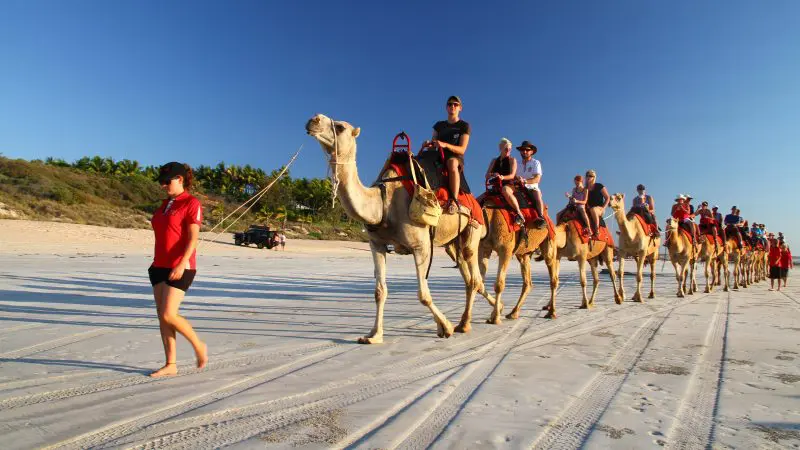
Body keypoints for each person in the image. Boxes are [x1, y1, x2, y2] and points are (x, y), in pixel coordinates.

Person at [148, 162, 208, 377]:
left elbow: (193, 239)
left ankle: (198, 345)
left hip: (181, 265)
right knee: (162, 317)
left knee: (168, 314)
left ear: (180, 179)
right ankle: (171, 364)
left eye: (167, 181)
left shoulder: (191, 203)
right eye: (161, 182)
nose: (163, 186)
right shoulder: (164, 204)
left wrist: (182, 263)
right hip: (159, 266)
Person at [432, 95, 471, 214]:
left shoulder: (464, 126)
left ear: (460, 108)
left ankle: (454, 200)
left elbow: (462, 150)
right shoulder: (439, 125)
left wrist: (445, 145)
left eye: (455, 104)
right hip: (437, 155)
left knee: (452, 163)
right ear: (446, 107)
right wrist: (430, 143)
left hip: (454, 157)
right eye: (450, 104)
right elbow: (434, 141)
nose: (452, 106)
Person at [485, 138, 525, 226]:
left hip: (509, 184)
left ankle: (519, 213)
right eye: (506, 148)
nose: (508, 150)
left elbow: (512, 175)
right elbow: (487, 175)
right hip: (496, 186)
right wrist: (493, 174)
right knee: (479, 199)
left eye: (510, 149)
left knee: (505, 190)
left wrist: (502, 177)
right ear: (501, 148)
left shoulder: (512, 160)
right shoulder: (494, 161)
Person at [515, 140, 547, 228]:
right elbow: (513, 175)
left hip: (532, 187)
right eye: (522, 150)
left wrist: (525, 181)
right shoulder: (516, 163)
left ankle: (541, 217)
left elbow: (537, 179)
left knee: (537, 196)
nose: (524, 152)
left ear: (532, 151)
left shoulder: (535, 163)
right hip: (518, 187)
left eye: (527, 150)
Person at [585, 169, 610, 236]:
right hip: (588, 208)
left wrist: (603, 208)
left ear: (594, 177)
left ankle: (596, 229)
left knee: (593, 210)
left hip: (599, 209)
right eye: (587, 176)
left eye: (590, 176)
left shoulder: (599, 186)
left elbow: (607, 197)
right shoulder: (585, 189)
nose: (588, 177)